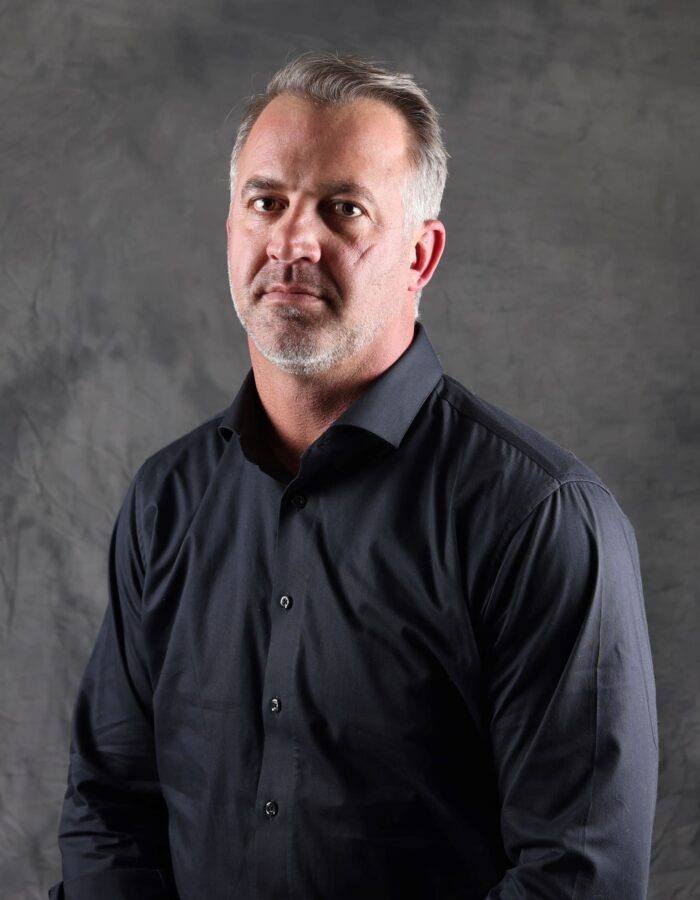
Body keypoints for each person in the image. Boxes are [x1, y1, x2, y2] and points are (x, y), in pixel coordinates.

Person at [51, 52, 658, 900]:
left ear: (422, 254)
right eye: (266, 202)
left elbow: (576, 875)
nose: (293, 241)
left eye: (343, 209)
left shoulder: (540, 520)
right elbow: (110, 811)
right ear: (232, 230)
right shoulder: (167, 500)